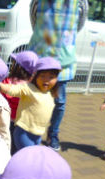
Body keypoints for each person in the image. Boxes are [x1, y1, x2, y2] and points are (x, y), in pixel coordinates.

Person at [29, 0, 80, 151]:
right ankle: (32, 132)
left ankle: (53, 134)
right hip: (41, 56)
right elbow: (34, 19)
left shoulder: (80, 2)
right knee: (33, 97)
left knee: (59, 102)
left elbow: (79, 23)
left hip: (62, 59)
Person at [0, 57, 61, 151]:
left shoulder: (50, 93)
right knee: (28, 157)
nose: (46, 80)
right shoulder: (29, 88)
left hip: (38, 134)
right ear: (35, 76)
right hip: (23, 132)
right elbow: (12, 90)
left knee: (25, 157)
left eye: (51, 77)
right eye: (42, 76)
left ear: (57, 79)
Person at [2, 51, 38, 153]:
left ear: (18, 67)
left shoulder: (7, 82)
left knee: (6, 146)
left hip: (6, 120)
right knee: (17, 150)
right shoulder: (31, 87)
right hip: (22, 123)